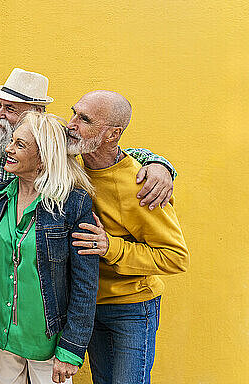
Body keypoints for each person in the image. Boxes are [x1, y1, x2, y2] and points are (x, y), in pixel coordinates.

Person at [67, 90, 190, 384]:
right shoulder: (72, 166)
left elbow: (176, 257)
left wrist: (111, 247)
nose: (71, 124)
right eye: (74, 112)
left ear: (112, 134)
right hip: (89, 307)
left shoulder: (142, 184)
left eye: (84, 119)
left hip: (132, 310)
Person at [0, 111, 100, 384]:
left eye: (20, 145)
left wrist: (71, 348)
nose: (8, 149)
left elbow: (85, 284)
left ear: (44, 157)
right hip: (1, 338)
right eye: (12, 141)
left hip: (49, 344)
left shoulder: (73, 204)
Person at [0, 67, 178, 209]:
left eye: (9, 108)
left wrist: (159, 165)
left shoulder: (54, 142)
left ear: (36, 112)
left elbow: (113, 152)